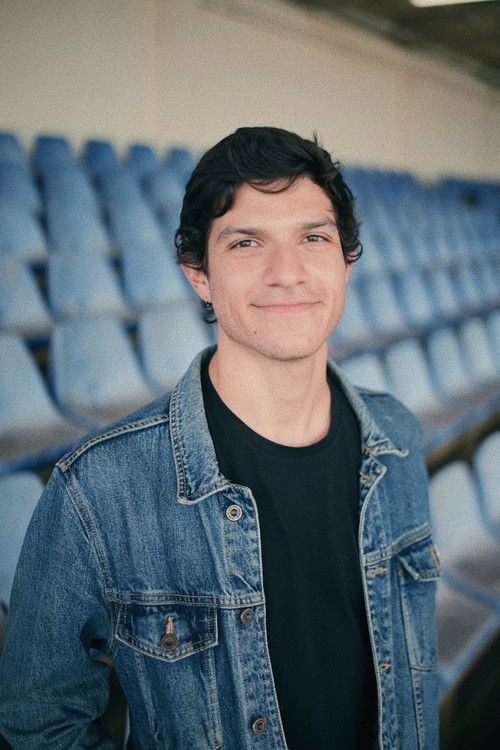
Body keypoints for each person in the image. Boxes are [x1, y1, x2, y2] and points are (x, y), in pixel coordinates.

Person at [0, 126, 440, 749]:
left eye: (313, 238)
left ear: (347, 260)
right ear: (199, 273)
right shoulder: (96, 488)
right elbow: (38, 722)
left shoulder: (396, 435)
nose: (287, 273)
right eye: (246, 242)